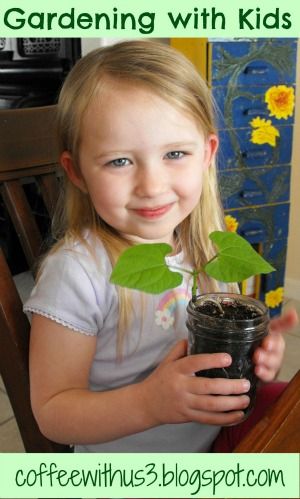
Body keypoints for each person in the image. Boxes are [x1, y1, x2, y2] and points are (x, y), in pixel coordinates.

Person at [24, 40, 298, 453]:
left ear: (206, 154)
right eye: (119, 161)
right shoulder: (78, 271)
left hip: (213, 439)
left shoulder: (209, 248)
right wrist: (149, 404)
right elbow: (53, 414)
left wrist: (254, 360)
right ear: (77, 171)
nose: (151, 186)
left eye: (174, 153)